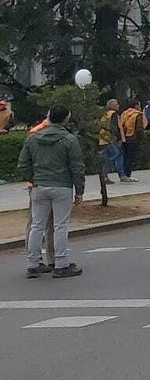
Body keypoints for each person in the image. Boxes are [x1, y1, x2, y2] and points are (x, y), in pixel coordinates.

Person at [19, 106, 85, 279]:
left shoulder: (33, 138)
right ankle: (60, 263)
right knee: (60, 226)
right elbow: (77, 167)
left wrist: (32, 180)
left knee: (36, 225)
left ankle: (33, 263)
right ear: (65, 120)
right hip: (62, 186)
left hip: (39, 186)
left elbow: (23, 164)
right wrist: (79, 190)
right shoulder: (69, 139)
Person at [118, 101, 145, 181]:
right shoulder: (138, 115)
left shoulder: (124, 114)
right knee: (130, 158)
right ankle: (127, 175)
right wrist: (140, 139)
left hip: (124, 137)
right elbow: (139, 128)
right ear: (136, 106)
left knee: (125, 157)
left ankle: (123, 175)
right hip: (133, 138)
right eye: (139, 105)